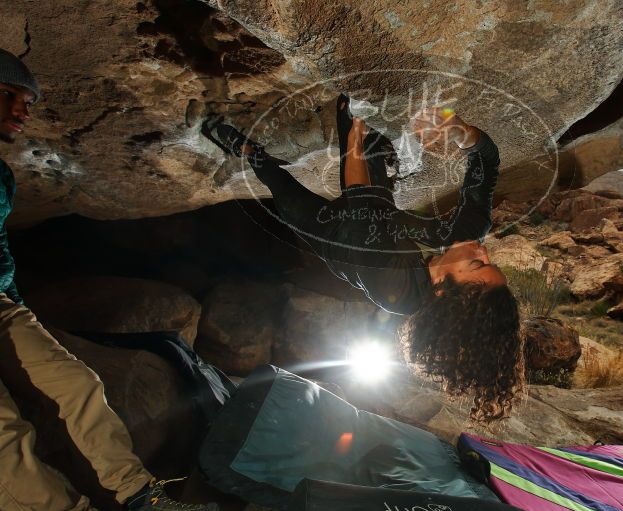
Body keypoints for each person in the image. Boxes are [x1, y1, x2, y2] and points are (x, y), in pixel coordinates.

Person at [0, 49, 218, 511]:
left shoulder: (1, 176)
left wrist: (14, 300)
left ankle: (138, 495)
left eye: (28, 101)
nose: (23, 111)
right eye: (11, 95)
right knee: (4, 434)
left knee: (77, 384)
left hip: (1, 309)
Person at [202, 95, 523, 421]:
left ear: (442, 288)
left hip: (335, 235)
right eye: (488, 259)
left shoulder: (392, 288)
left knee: (285, 184)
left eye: (478, 264)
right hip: (377, 215)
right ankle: (377, 150)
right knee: (371, 155)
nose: (483, 250)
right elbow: (487, 161)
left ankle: (249, 153)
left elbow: (360, 200)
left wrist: (354, 126)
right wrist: (459, 131)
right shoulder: (469, 234)